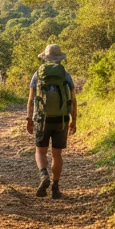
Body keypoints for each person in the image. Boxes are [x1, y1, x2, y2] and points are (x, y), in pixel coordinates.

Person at [27, 44, 77, 198]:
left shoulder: (37, 75)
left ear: (45, 58)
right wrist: (73, 121)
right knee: (57, 155)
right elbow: (73, 101)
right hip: (61, 119)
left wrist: (29, 119)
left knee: (40, 152)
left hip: (42, 119)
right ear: (60, 59)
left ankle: (44, 175)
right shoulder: (66, 76)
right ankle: (55, 188)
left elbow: (30, 100)